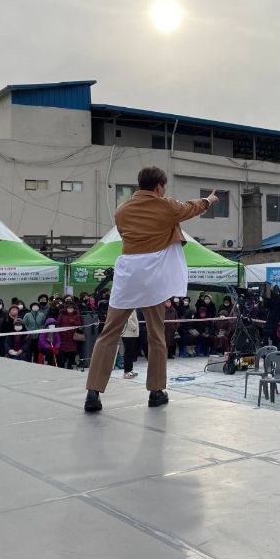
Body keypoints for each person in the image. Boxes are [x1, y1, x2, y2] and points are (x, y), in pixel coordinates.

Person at [84, 167, 218, 411]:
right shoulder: (165, 206)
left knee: (109, 333)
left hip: (128, 272)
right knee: (157, 334)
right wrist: (208, 200)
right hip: (153, 274)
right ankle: (156, 391)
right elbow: (190, 208)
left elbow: (125, 234)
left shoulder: (122, 210)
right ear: (158, 186)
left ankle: (93, 392)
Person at [119, 311, 139, 379]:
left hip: (130, 333)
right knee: (128, 353)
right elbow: (127, 318)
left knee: (130, 353)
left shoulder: (131, 306)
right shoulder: (129, 307)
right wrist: (134, 327)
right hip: (128, 334)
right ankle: (127, 372)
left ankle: (130, 370)